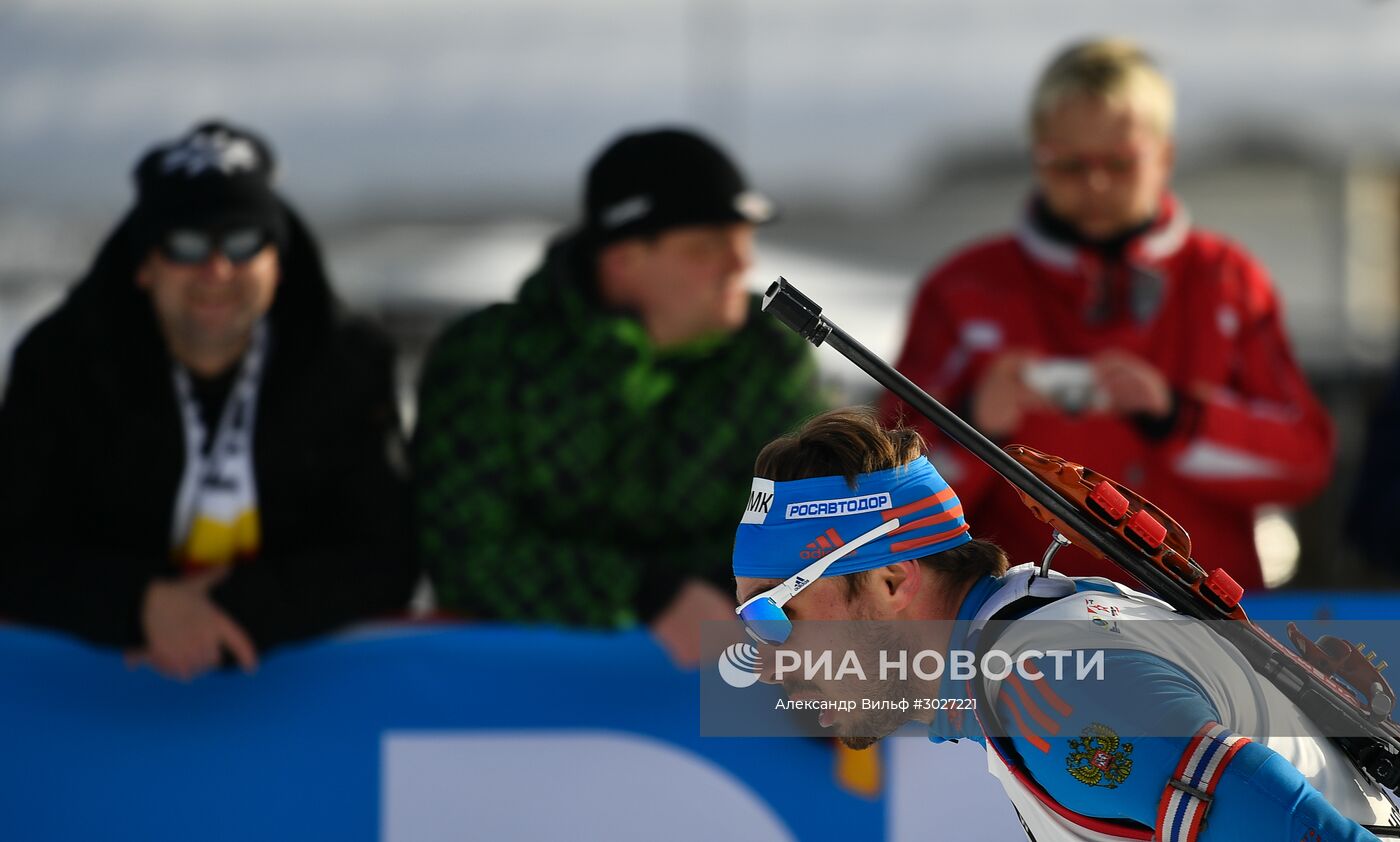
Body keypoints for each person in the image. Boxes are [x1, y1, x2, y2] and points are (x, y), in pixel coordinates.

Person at [732, 408, 1397, 841]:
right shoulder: (1038, 648)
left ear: (891, 580)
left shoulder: (1054, 686)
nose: (763, 656)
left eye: (772, 612)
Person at [880, 38, 1333, 591]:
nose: (1094, 185)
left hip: (1204, 623)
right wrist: (974, 424)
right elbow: (883, 500)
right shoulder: (964, 290)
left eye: (1119, 164)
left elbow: (1304, 461)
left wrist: (1176, 417)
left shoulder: (1226, 281)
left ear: (1164, 156)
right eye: (1069, 165)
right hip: (1021, 620)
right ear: (1036, 156)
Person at [0, 120, 417, 680]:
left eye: (244, 242)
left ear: (277, 262)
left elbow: (388, 555)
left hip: (292, 703)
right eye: (186, 243)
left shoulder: (344, 361)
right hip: (92, 704)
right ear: (144, 265)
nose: (216, 270)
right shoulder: (63, 363)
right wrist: (141, 605)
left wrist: (234, 612)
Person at [414, 126, 822, 665]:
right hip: (513, 701)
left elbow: (815, 526)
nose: (740, 266)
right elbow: (465, 554)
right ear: (623, 260)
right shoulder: (488, 360)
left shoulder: (771, 355)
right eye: (708, 247)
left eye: (744, 241)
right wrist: (645, 596)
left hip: (737, 695)